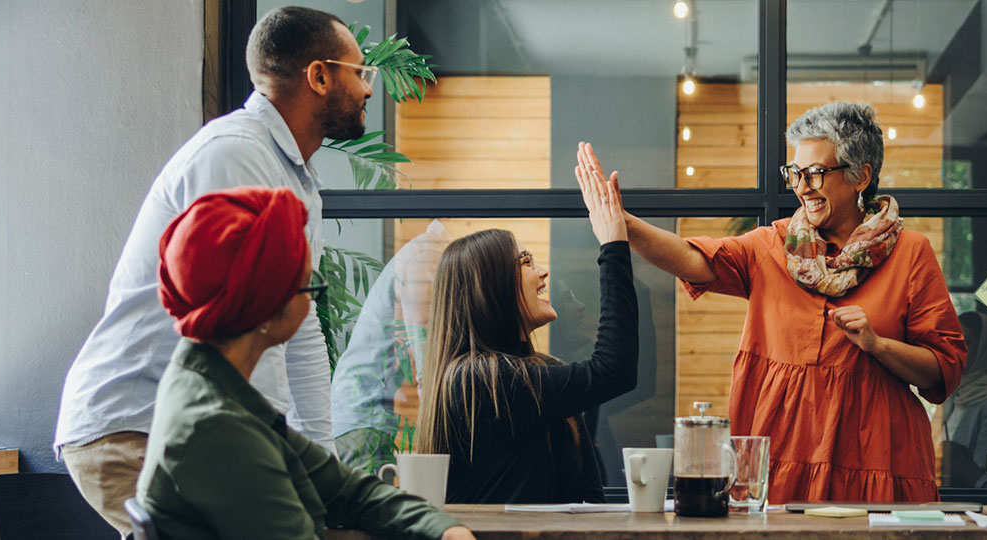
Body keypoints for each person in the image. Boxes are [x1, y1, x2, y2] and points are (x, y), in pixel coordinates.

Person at [54, 6, 371, 530]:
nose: (367, 87)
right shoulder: (237, 156)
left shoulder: (295, 178)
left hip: (180, 427)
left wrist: (322, 463)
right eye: (359, 71)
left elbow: (300, 324)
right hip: (141, 425)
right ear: (319, 76)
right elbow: (242, 321)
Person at [576, 101, 967, 503]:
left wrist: (878, 345)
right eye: (795, 174)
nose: (801, 187)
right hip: (780, 458)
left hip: (877, 461)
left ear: (860, 176)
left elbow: (944, 370)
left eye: (815, 173)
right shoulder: (773, 244)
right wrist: (622, 223)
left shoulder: (911, 253)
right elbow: (694, 259)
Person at [136, 187, 471, 540]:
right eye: (308, 284)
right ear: (268, 304)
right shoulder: (218, 428)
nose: (313, 301)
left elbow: (350, 491)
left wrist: (447, 529)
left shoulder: (216, 391)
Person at [414, 171, 638, 504]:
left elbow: (589, 498)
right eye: (526, 261)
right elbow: (613, 370)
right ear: (489, 288)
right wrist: (613, 244)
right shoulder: (478, 380)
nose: (543, 271)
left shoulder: (539, 374)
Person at [331, 222, 450, 473]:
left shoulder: (426, 253)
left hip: (366, 414)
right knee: (367, 509)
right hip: (365, 416)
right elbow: (426, 358)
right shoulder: (426, 257)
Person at [940, 311, 987, 487]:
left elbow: (981, 468)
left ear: (985, 347)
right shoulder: (954, 392)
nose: (955, 349)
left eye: (965, 342)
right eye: (952, 341)